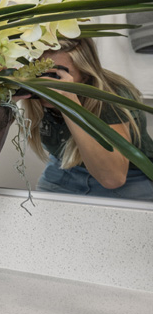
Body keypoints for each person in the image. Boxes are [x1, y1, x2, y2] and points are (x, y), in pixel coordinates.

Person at [23, 38, 153, 201]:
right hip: (64, 168)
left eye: (55, 74)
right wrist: (4, 97)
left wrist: (69, 103)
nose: (44, 83)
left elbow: (113, 178)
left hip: (130, 176)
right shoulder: (31, 94)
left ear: (85, 76)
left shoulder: (111, 95)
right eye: (38, 73)